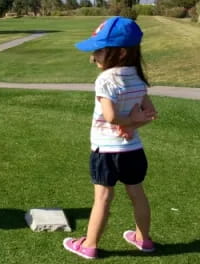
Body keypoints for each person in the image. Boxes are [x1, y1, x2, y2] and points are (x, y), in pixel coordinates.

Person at [63, 16, 158, 259]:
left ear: (122, 52)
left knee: (103, 198)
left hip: (105, 152)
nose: (93, 56)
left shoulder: (106, 79)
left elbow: (111, 116)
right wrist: (134, 124)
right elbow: (150, 114)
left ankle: (90, 245)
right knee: (137, 194)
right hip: (133, 150)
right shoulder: (137, 78)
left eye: (99, 50)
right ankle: (143, 239)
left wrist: (127, 122)